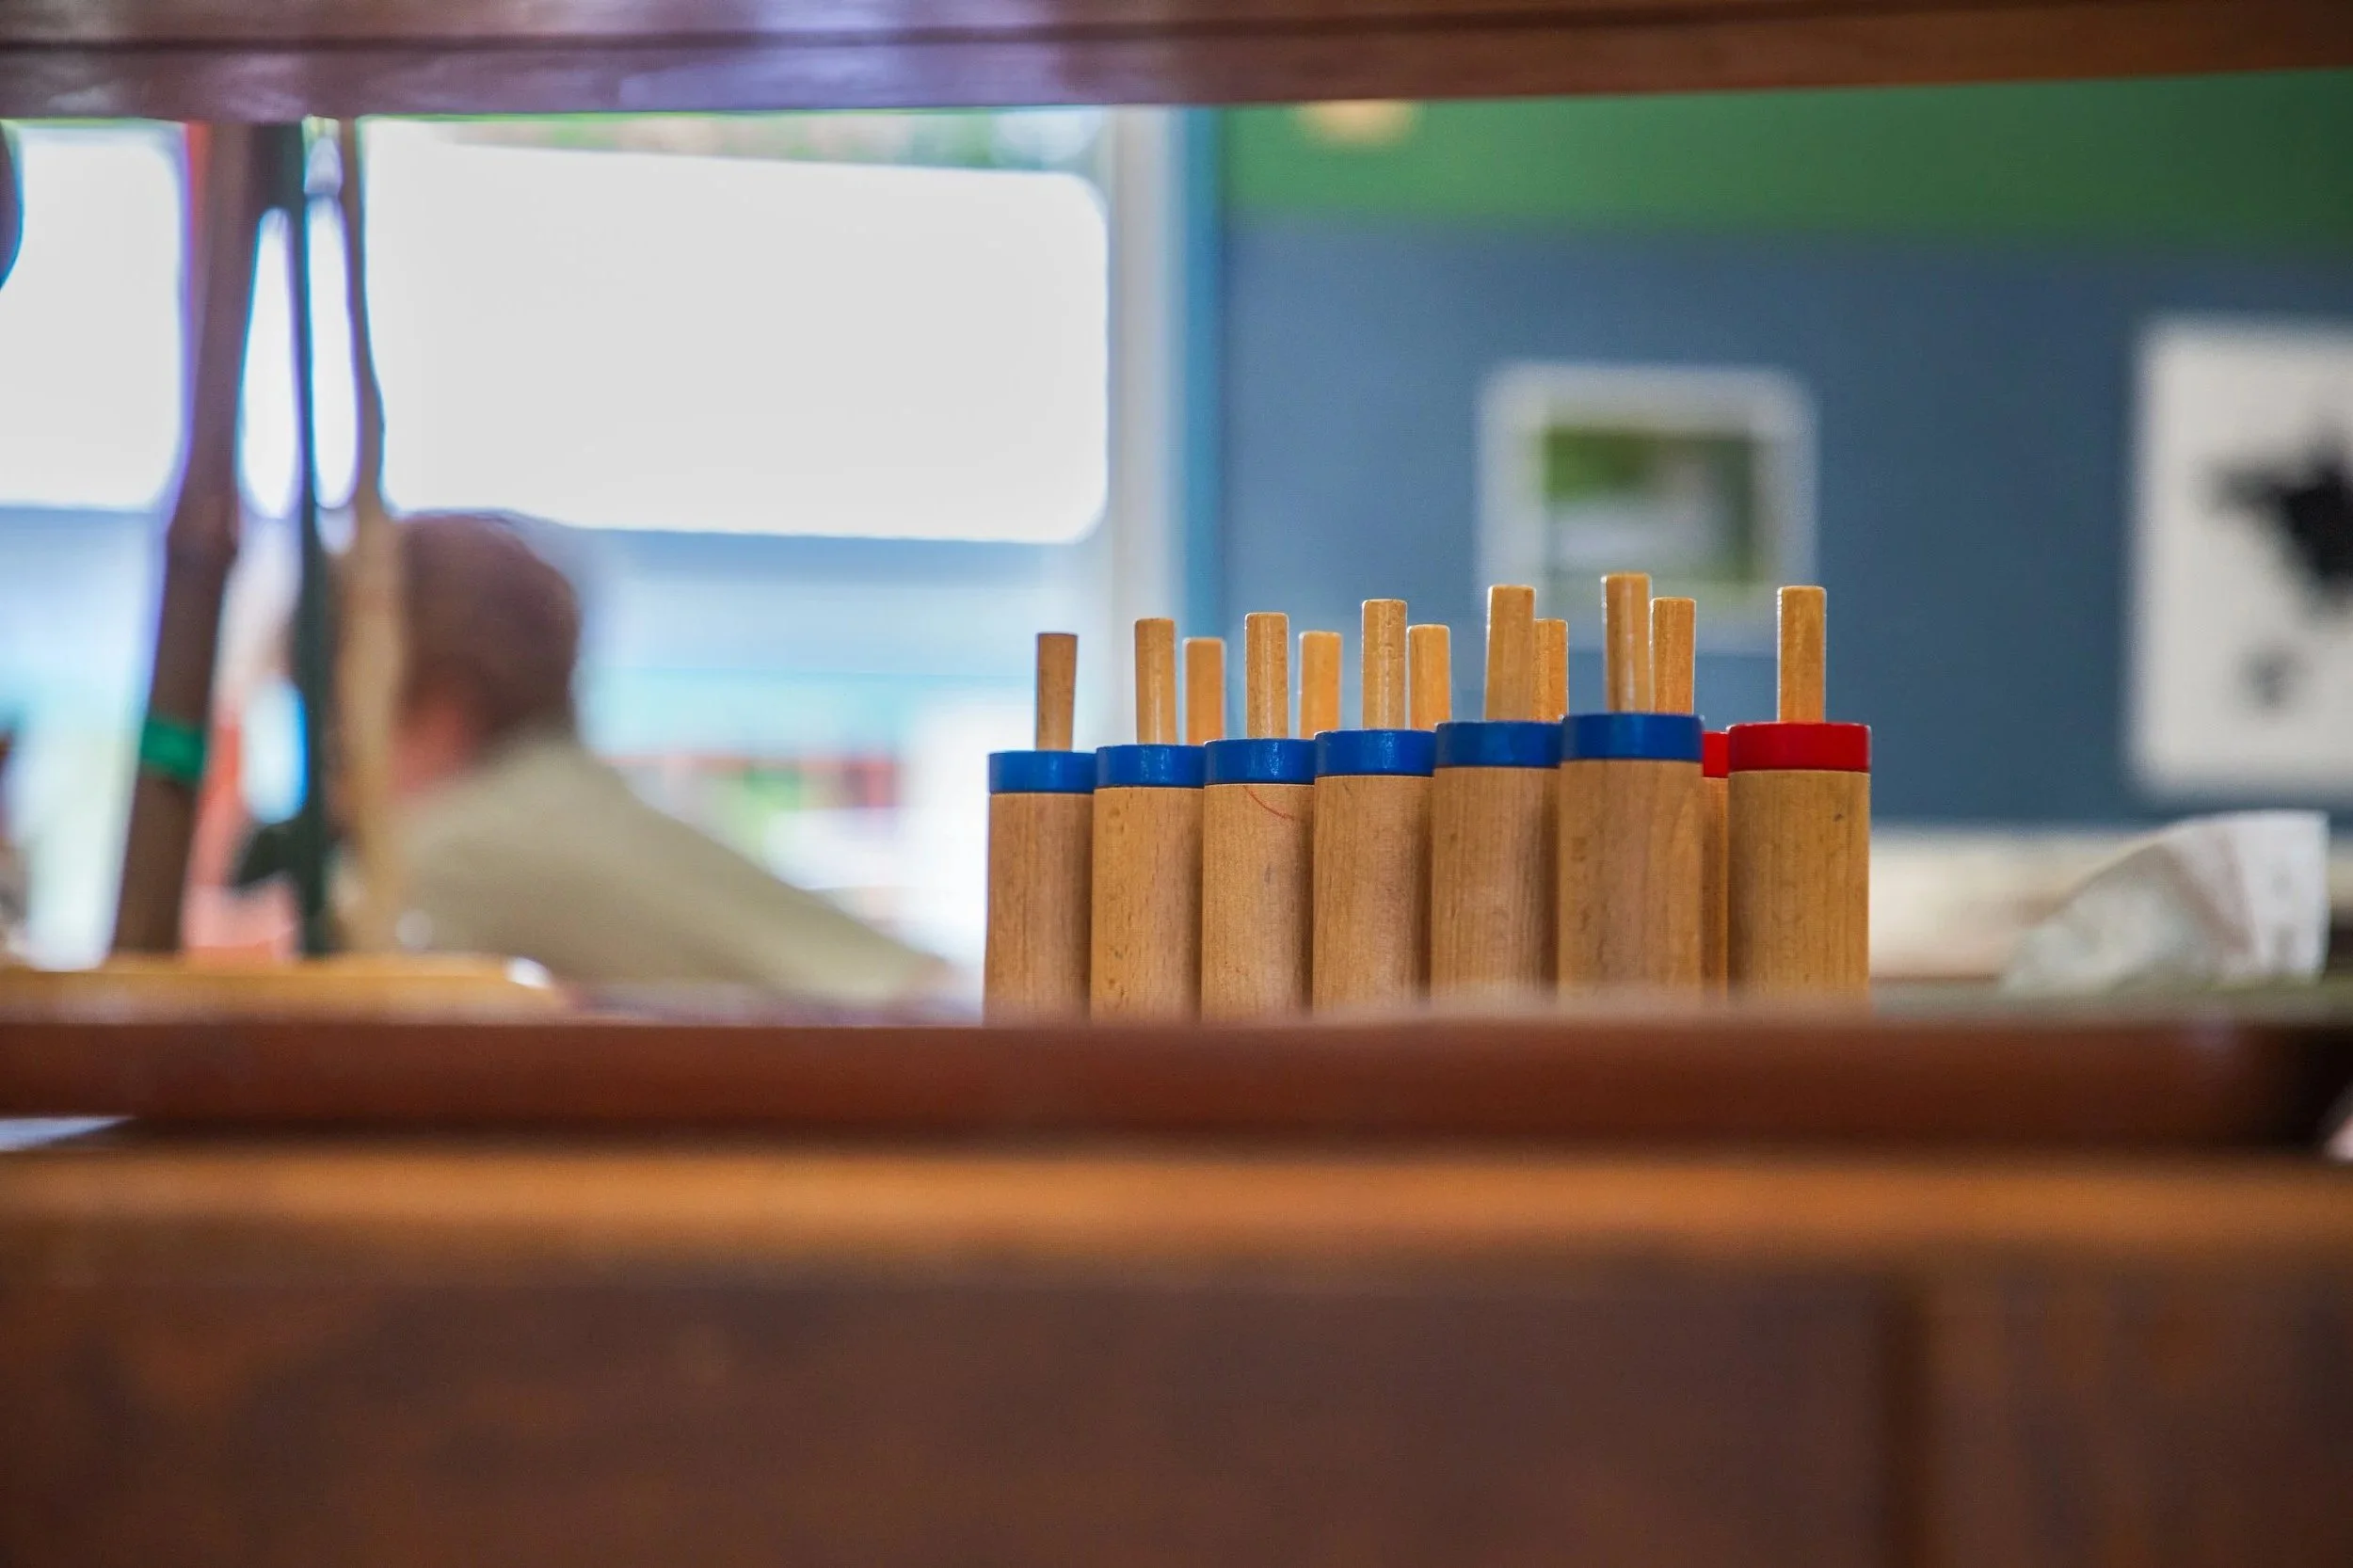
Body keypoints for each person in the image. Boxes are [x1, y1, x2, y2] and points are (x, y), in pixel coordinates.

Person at [384, 514, 944, 1004]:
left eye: (336, 728)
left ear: (439, 715)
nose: (332, 778)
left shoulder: (454, 846)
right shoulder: (558, 798)